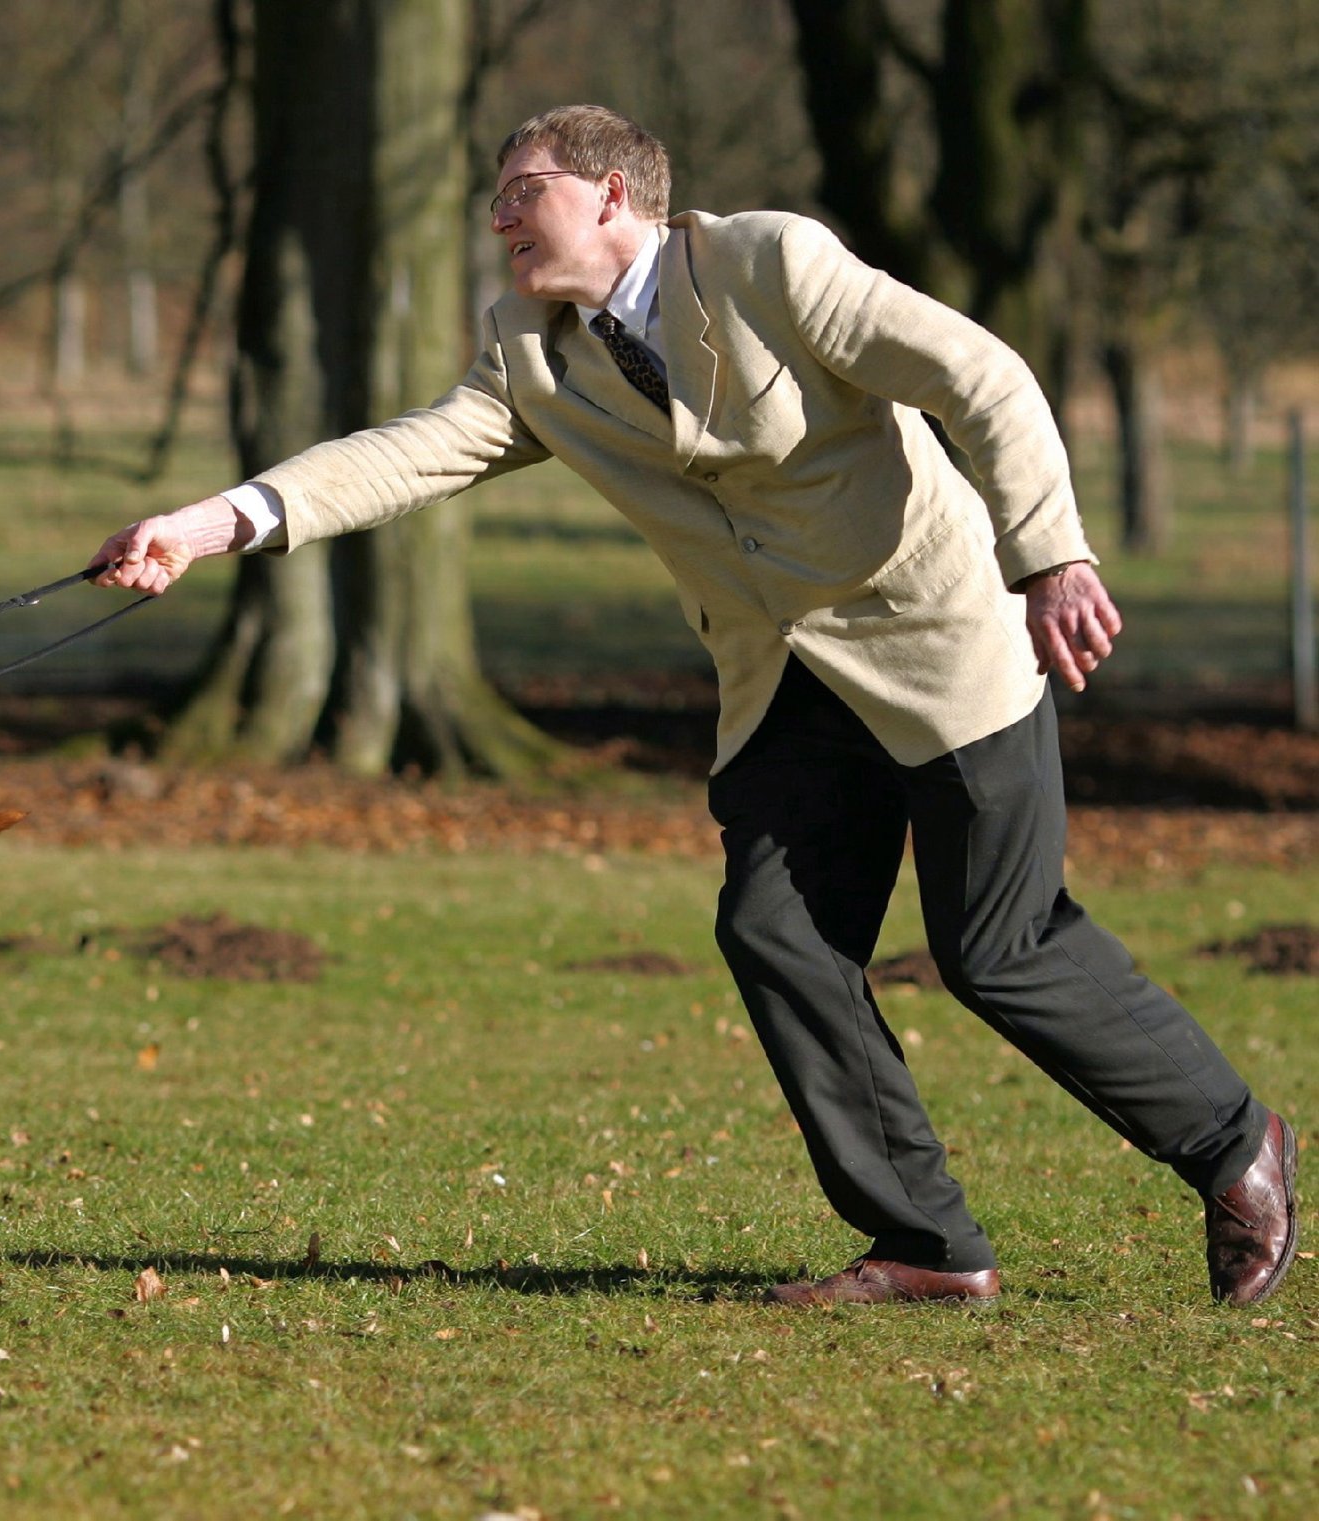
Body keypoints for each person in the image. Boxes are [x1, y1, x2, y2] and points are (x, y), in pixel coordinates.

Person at [90, 104, 1296, 1307]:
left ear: (615, 193)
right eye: (494, 194)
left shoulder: (770, 262)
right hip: (783, 681)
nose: (500, 212)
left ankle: (1233, 1143)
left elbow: (982, 376)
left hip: (940, 644)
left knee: (997, 948)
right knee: (775, 932)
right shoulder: (529, 346)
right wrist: (203, 528)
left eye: (526, 187)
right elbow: (405, 454)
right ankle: (925, 1246)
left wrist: (1051, 557)